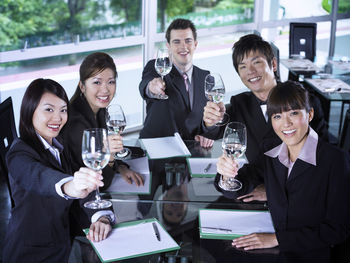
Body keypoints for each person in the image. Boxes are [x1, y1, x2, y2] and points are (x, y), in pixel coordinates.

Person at [215, 81, 350, 263]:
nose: (285, 124)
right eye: (277, 116)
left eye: (293, 113)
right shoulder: (272, 149)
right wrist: (226, 174)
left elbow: (338, 229)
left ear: (310, 114)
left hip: (313, 255)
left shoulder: (335, 160)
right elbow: (240, 185)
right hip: (276, 253)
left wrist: (276, 239)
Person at [2, 79, 113, 263]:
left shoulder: (59, 143)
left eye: (63, 110)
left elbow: (82, 181)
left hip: (64, 245)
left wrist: (101, 217)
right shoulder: (19, 152)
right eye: (48, 109)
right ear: (30, 110)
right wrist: (69, 186)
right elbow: (38, 177)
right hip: (31, 253)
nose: (58, 118)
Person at [203, 34, 328, 163]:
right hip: (256, 180)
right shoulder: (240, 103)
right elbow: (214, 132)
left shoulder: (305, 101)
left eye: (256, 62)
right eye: (243, 67)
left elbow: (322, 150)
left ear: (273, 64)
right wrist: (210, 120)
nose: (250, 71)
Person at [63, 52, 143, 188]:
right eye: (97, 82)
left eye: (110, 82)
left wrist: (121, 167)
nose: (105, 89)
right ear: (82, 86)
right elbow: (98, 183)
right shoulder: (76, 123)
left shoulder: (99, 110)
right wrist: (110, 156)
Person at [139, 18, 214, 148]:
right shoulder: (156, 67)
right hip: (157, 151)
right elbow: (146, 85)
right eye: (176, 42)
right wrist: (152, 87)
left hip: (193, 152)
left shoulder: (206, 77)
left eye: (188, 41)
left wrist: (206, 134)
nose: (183, 46)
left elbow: (207, 119)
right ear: (168, 46)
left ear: (195, 44)